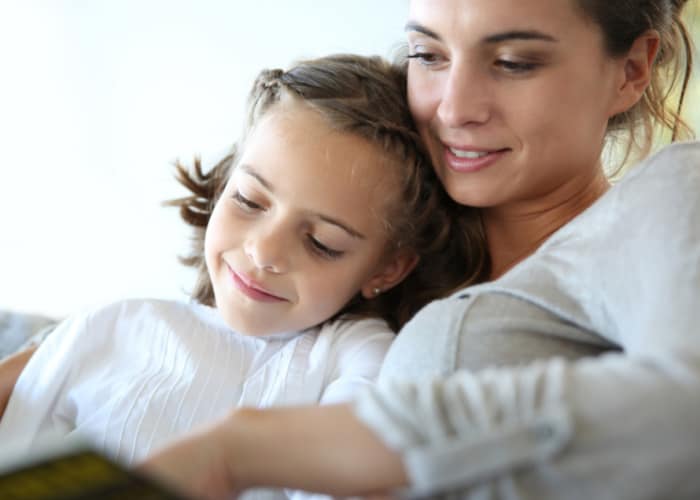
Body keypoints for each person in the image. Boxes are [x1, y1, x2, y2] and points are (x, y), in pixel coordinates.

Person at [132, 0, 700, 499]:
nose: (454, 109)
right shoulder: (374, 251)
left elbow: (685, 409)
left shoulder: (671, 197)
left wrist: (244, 449)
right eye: (427, 55)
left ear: (632, 70)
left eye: (513, 63)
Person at [0, 54, 484, 471]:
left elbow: (363, 460)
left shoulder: (358, 360)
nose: (263, 252)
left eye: (322, 242)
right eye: (250, 201)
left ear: (386, 269)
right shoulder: (112, 328)